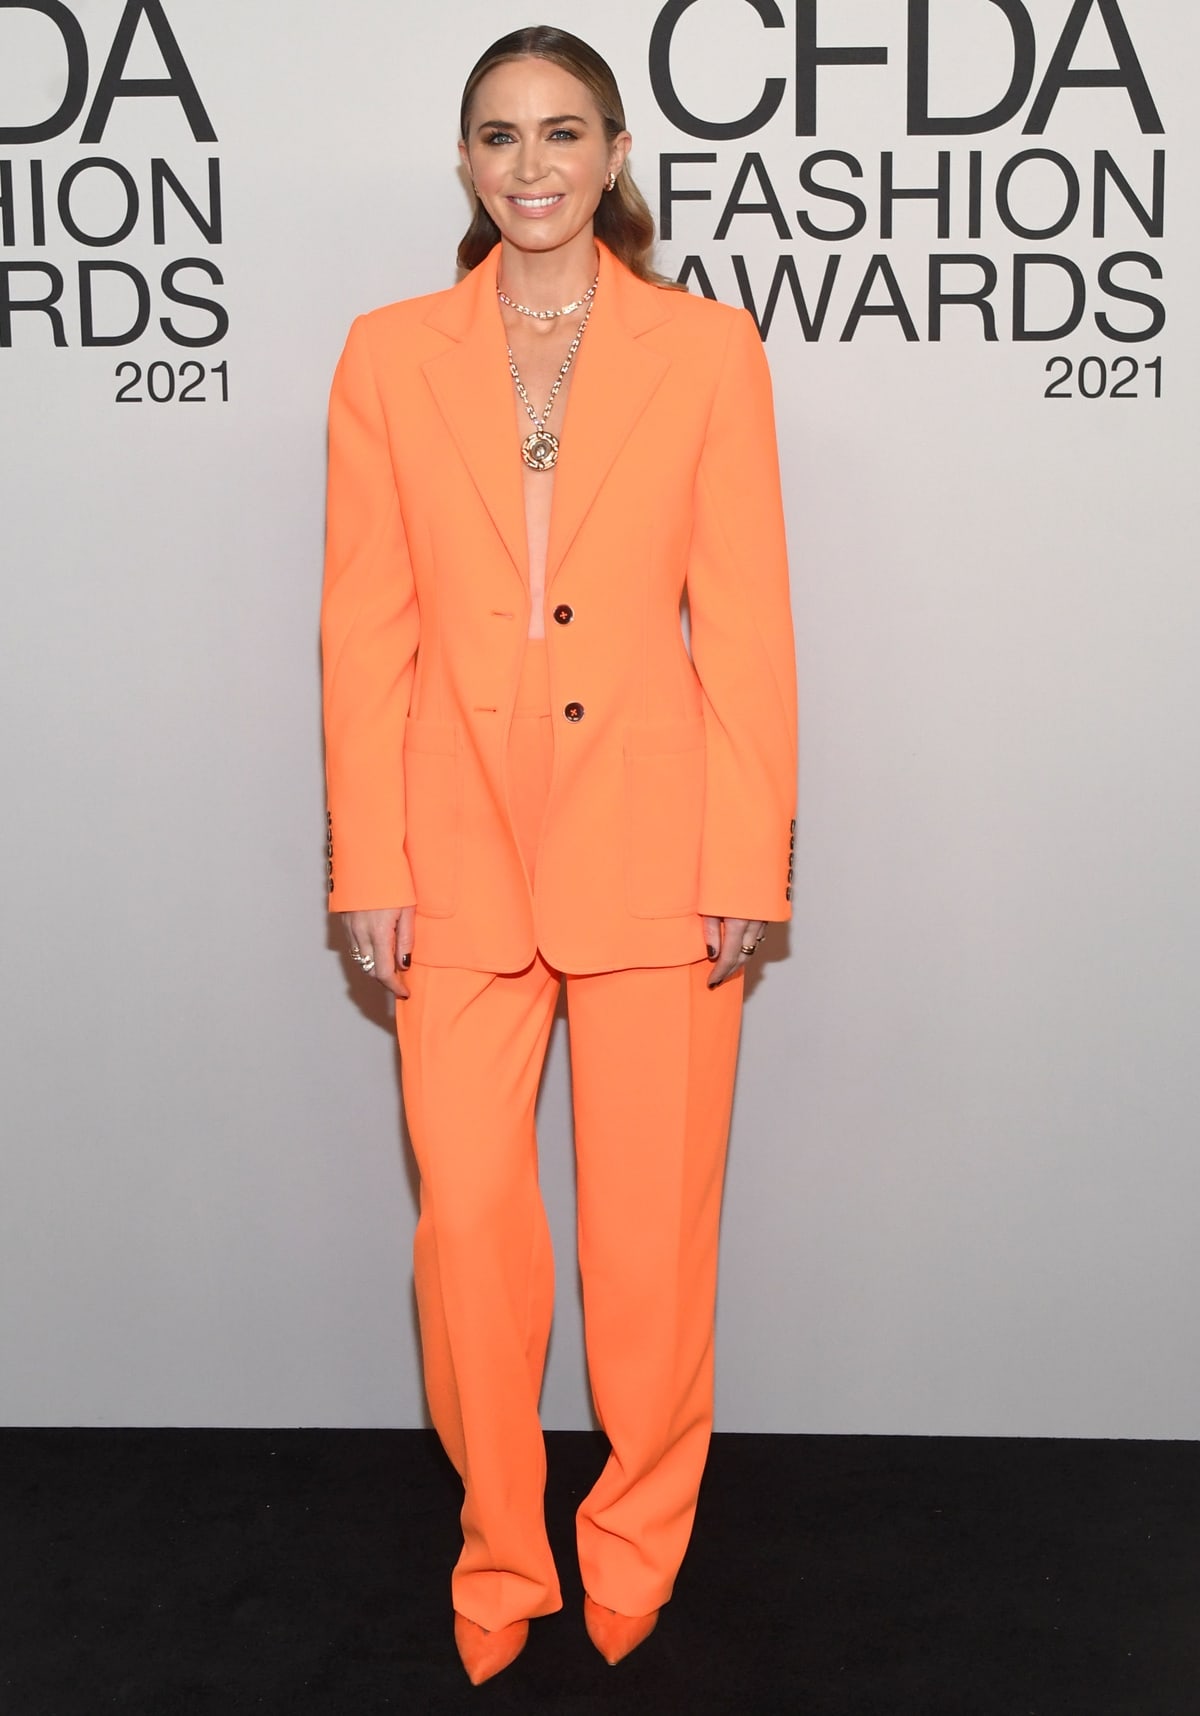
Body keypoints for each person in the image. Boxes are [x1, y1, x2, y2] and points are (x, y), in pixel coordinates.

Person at [320, 23, 797, 1686]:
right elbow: (360, 628)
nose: (533, 165)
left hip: (659, 850)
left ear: (612, 159)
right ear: (466, 163)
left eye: (565, 133)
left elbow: (746, 627)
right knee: (468, 1232)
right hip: (448, 850)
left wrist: (750, 852)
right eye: (502, 136)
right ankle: (502, 1541)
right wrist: (364, 857)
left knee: (652, 1238)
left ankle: (636, 1538)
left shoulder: (706, 350)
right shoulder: (386, 356)